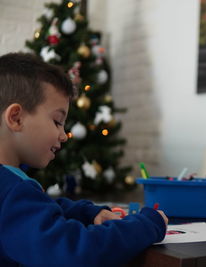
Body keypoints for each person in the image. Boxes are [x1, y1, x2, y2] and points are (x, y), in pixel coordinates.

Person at [0, 52, 168, 266]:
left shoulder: (10, 188)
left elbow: (41, 208)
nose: (63, 135)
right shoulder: (12, 193)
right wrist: (146, 225)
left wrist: (88, 213)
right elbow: (76, 252)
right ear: (16, 118)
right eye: (57, 121)